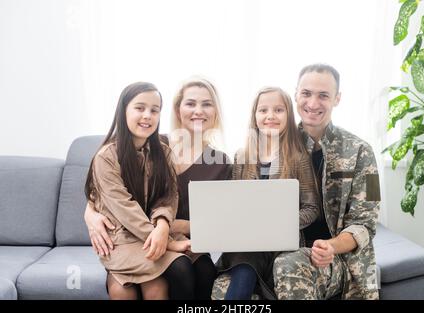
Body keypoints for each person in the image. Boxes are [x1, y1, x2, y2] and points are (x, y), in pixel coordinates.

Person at [85, 77, 232, 299]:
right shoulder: (154, 141)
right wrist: (90, 214)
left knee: (203, 270)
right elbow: (105, 195)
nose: (198, 111)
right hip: (135, 234)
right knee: (156, 279)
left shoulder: (219, 161)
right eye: (191, 103)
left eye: (207, 104)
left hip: (179, 235)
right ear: (177, 109)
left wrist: (168, 227)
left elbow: (213, 215)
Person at [273, 63, 380, 300]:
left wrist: (330, 246)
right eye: (306, 94)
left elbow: (367, 224)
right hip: (281, 250)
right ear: (296, 95)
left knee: (289, 264)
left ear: (337, 99)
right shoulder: (275, 146)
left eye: (323, 95)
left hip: (340, 260)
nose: (313, 103)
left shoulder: (363, 151)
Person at [212, 87, 319, 300]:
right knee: (245, 264)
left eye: (278, 110)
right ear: (255, 116)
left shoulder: (298, 158)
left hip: (282, 243)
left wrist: (280, 223)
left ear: (288, 115)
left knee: (249, 268)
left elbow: (312, 208)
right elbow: (232, 202)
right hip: (247, 241)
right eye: (263, 110)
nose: (270, 116)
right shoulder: (242, 156)